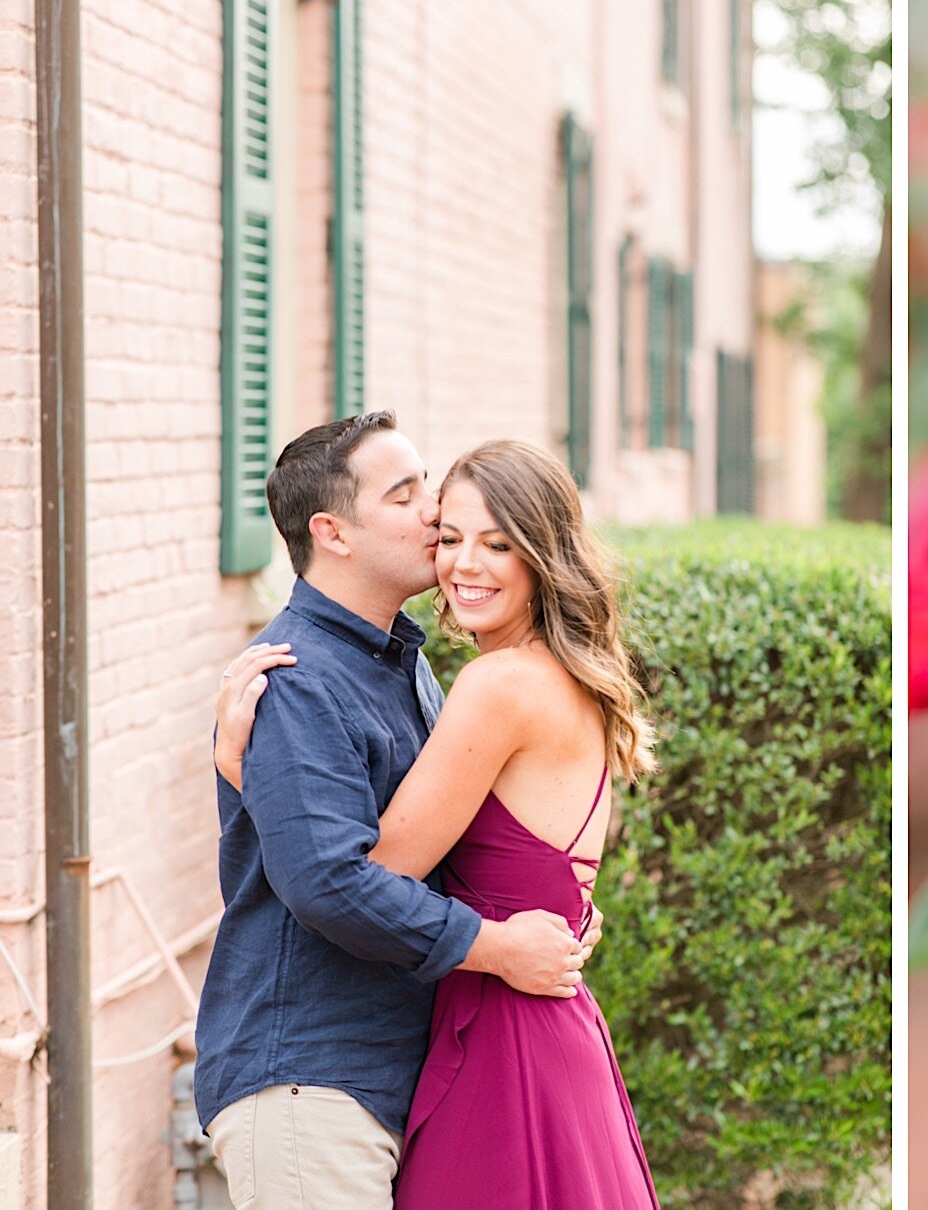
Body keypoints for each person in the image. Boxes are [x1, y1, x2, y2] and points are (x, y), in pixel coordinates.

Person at [212, 431, 662, 1208]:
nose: (435, 525)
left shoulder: (429, 673)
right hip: (311, 1077)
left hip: (440, 1056)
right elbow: (336, 880)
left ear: (538, 555)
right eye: (415, 503)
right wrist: (508, 935)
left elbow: (434, 853)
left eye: (494, 541)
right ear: (332, 531)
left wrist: (545, 917)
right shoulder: (298, 674)